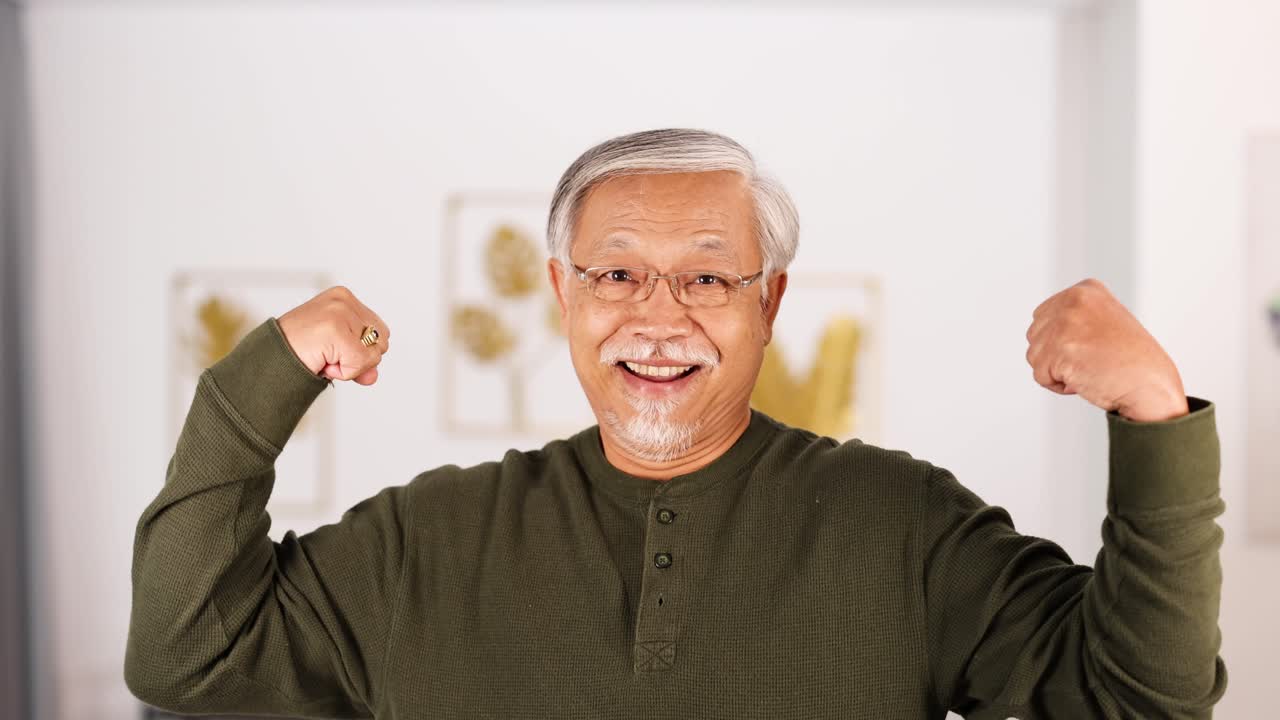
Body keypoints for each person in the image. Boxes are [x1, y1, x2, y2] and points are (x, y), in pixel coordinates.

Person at [124, 129, 1226, 718]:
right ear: (561, 292)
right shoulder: (427, 540)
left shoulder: (906, 528)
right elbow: (183, 655)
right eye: (614, 273)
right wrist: (262, 380)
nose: (656, 318)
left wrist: (1154, 417)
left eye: (705, 279)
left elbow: (1140, 697)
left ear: (768, 304)